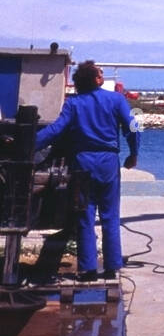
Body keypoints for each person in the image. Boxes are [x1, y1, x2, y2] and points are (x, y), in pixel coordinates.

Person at [37, 60, 139, 280]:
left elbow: (55, 130)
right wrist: (134, 153)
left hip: (83, 162)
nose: (102, 75)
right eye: (100, 73)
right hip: (108, 162)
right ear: (96, 79)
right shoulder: (116, 100)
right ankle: (112, 267)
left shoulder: (73, 104)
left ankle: (88, 269)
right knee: (111, 215)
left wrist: (29, 144)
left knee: (85, 216)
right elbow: (133, 128)